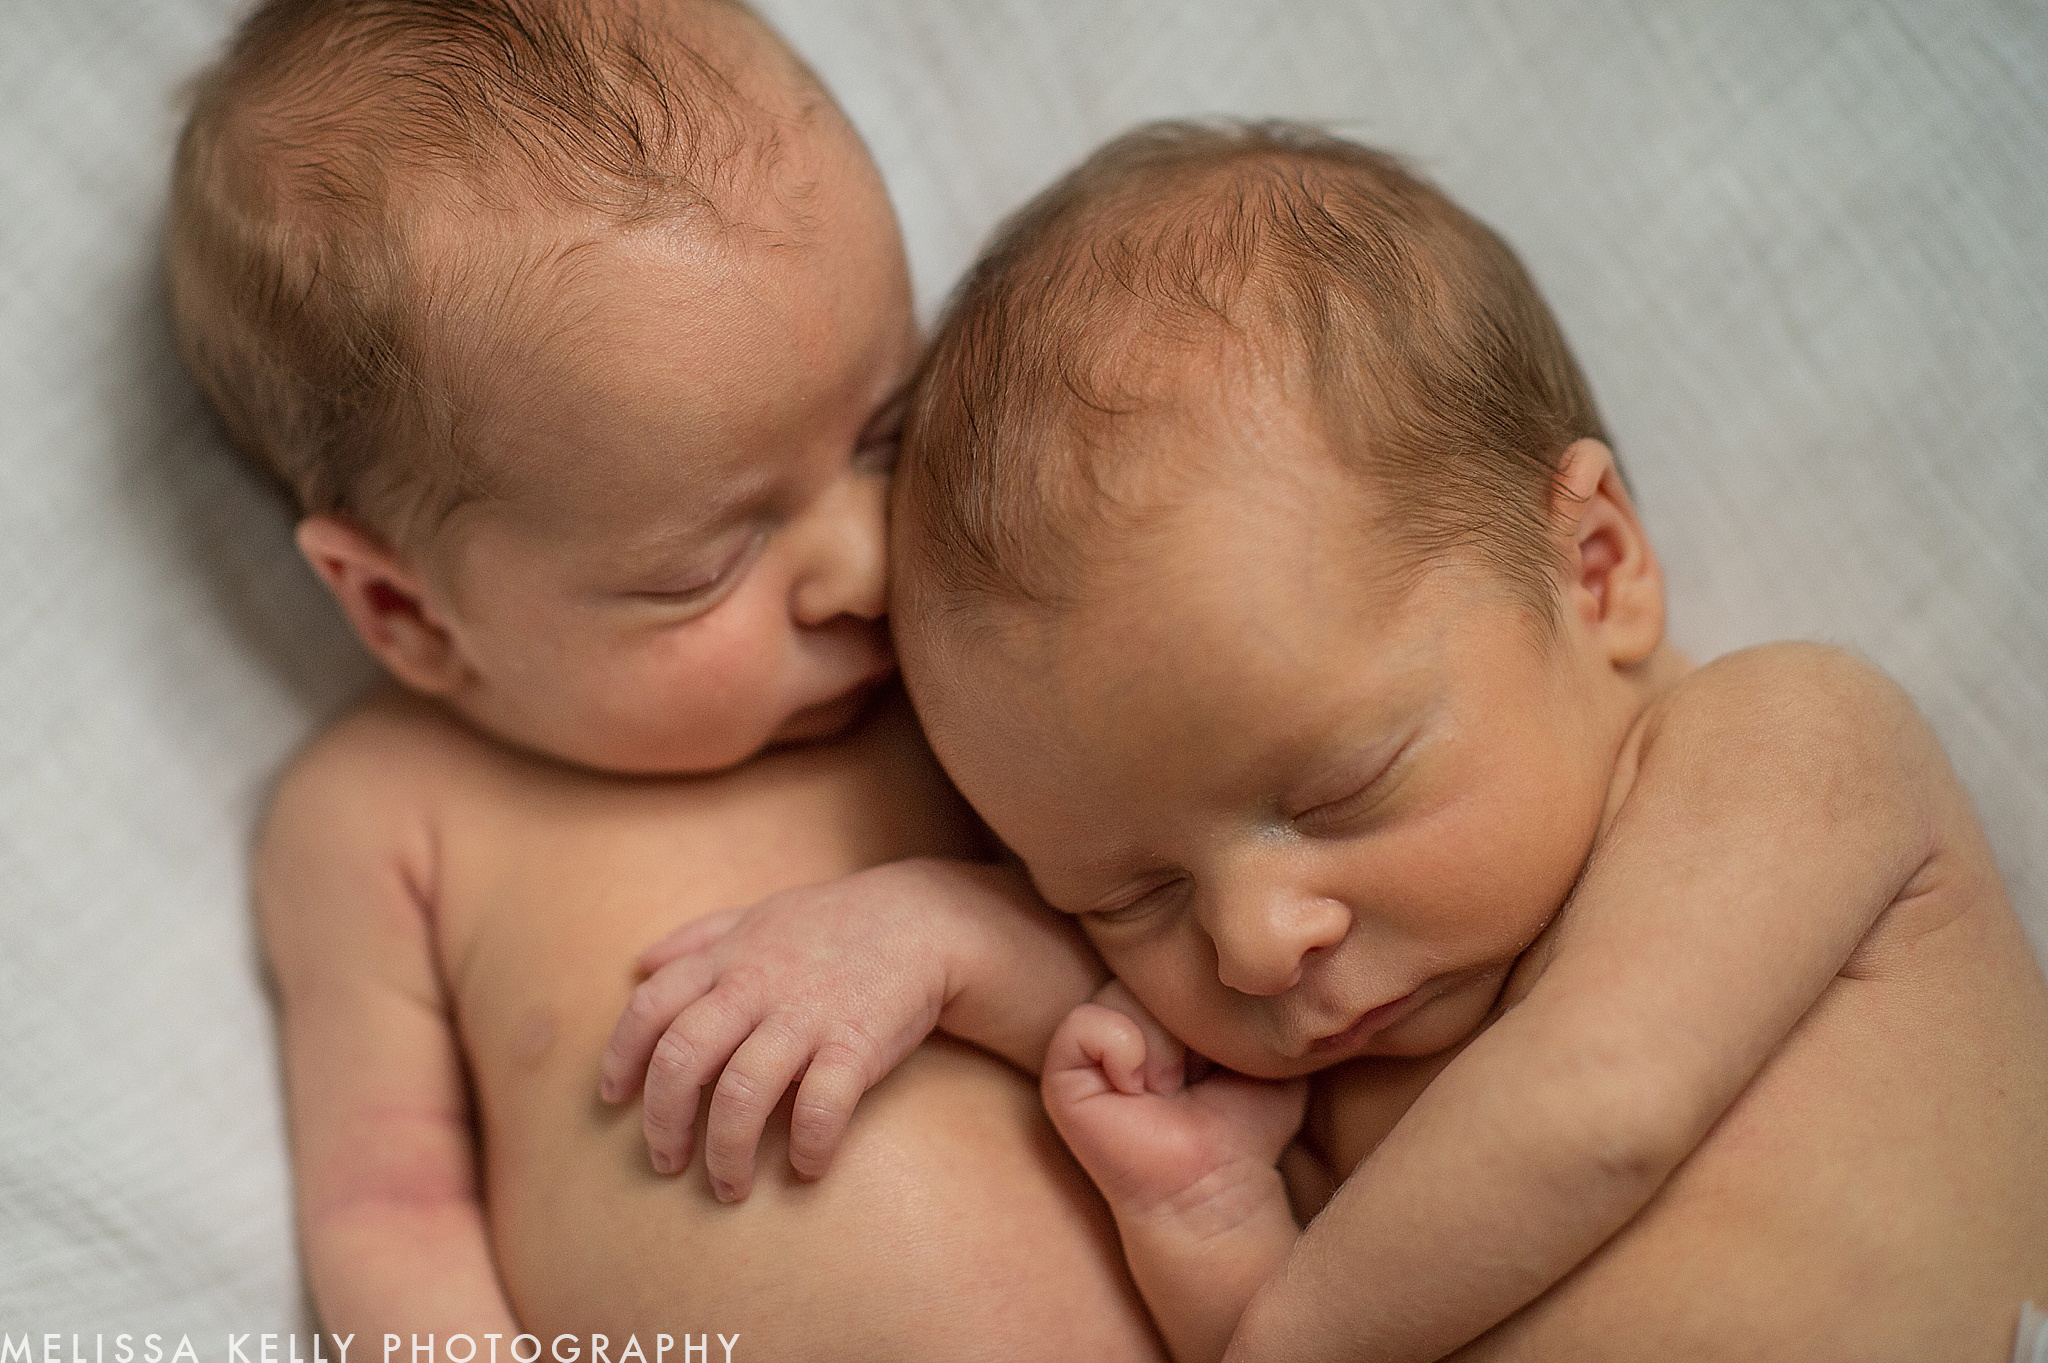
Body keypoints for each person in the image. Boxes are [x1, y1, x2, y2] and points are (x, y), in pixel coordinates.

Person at [605, 122, 2048, 1361]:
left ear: (1593, 567)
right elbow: (1209, 1142)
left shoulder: (1790, 736)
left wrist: (1280, 1338)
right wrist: (1200, 1205)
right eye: (1126, 896)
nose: (1252, 945)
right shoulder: (1347, 1071)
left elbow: (1601, 1111)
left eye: (1340, 789)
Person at [165, 0, 1165, 1355]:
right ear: (406, 608)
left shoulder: (960, 672)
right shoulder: (377, 815)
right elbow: (388, 1214)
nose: (866, 563)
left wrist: (955, 939)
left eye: (885, 430)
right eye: (708, 562)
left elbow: (1185, 996)